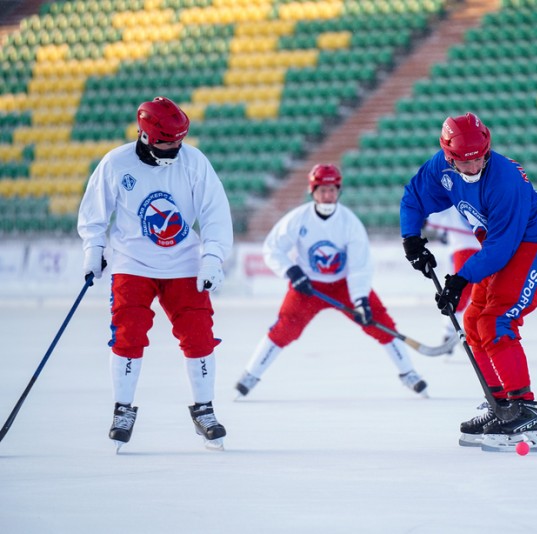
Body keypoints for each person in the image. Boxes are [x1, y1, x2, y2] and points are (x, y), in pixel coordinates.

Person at [399, 112, 537, 453]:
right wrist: (412, 240)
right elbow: (414, 197)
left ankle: (526, 411)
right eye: (464, 162)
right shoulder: (440, 169)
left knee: (497, 320)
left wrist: (460, 279)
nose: (473, 168)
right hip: (498, 246)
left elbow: (502, 247)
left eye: (479, 159)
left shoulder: (504, 180)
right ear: (449, 156)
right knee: (473, 321)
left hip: (533, 243)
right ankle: (500, 406)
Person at [77, 96, 233, 451]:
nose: (176, 146)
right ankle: (122, 409)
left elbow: (215, 214)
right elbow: (95, 214)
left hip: (184, 263)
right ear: (146, 135)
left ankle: (204, 409)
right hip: (133, 263)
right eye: (168, 141)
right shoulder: (116, 163)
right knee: (127, 334)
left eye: (180, 139)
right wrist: (94, 249)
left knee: (199, 335)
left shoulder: (194, 162)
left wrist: (212, 258)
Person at [235, 163, 428, 399]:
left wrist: (360, 300)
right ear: (313, 191)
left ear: (338, 191)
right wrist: (292, 272)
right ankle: (251, 375)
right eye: (322, 190)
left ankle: (408, 374)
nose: (328, 196)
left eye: (332, 190)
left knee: (380, 322)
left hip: (344, 285)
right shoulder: (298, 219)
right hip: (308, 286)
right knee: (285, 328)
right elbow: (272, 248)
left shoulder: (349, 223)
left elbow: (360, 265)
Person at [424, 206, 479, 352]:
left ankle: (459, 332)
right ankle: (450, 333)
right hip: (465, 246)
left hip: (475, 247)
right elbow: (435, 215)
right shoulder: (454, 191)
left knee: (468, 292)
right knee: (460, 291)